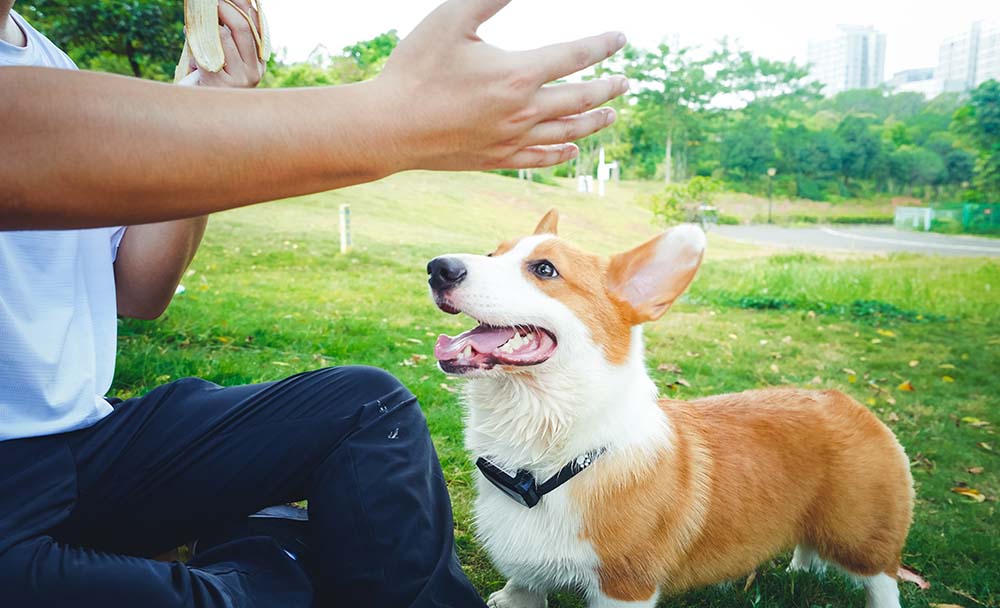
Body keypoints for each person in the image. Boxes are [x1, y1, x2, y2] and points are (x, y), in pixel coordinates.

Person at [0, 0, 627, 606]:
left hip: (82, 440)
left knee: (365, 404)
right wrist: (396, 116)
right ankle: (271, 552)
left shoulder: (47, 57)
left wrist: (210, 107)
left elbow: (139, 291)